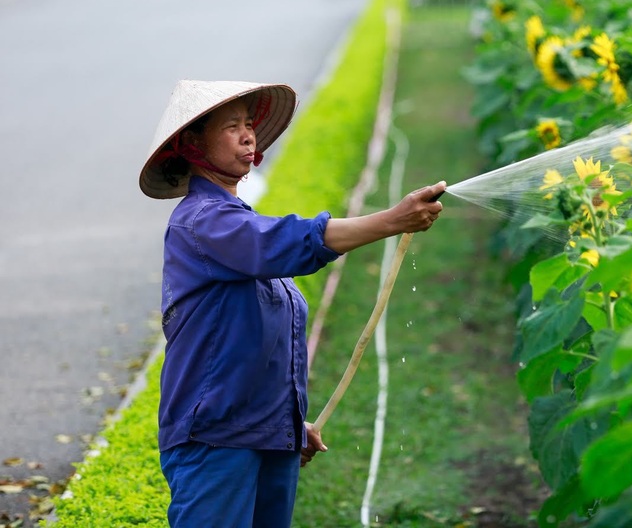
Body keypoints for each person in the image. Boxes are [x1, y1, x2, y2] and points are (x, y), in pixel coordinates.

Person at [138, 79, 444, 527]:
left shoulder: (237, 223)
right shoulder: (201, 223)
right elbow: (286, 242)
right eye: (231, 127)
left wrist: (287, 422)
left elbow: (257, 340)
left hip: (267, 437)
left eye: (249, 124)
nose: (248, 135)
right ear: (192, 144)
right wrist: (392, 220)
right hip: (216, 439)